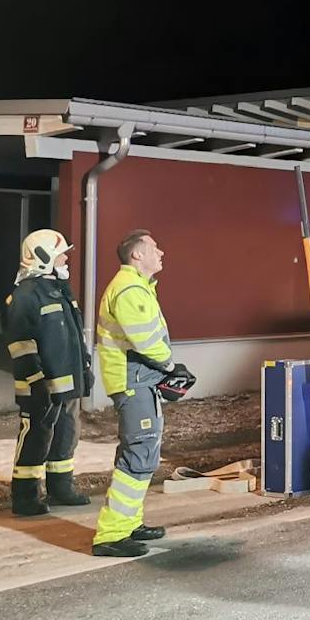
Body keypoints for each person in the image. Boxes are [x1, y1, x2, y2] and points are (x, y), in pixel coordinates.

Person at [92, 230, 194, 557]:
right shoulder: (129, 289)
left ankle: (129, 523)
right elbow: (145, 341)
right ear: (137, 255)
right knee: (139, 454)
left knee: (142, 451)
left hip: (138, 380)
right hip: (133, 381)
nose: (161, 252)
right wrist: (169, 367)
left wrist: (166, 370)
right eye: (153, 248)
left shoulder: (138, 287)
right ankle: (111, 535)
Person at [4, 230, 92, 516]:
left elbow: (74, 336)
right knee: (36, 437)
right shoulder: (26, 295)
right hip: (40, 387)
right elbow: (21, 345)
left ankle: (61, 487)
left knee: (66, 433)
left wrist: (85, 367)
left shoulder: (59, 290)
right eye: (60, 254)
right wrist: (36, 380)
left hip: (66, 385)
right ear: (43, 257)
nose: (65, 258)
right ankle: (25, 496)